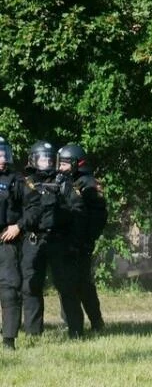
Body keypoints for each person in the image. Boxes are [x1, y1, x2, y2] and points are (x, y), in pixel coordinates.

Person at [20, 141, 85, 338]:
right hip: (34, 239)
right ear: (33, 160)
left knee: (66, 285)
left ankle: (75, 330)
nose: (46, 162)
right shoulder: (26, 183)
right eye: (42, 159)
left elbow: (77, 210)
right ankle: (33, 332)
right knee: (31, 286)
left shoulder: (64, 182)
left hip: (59, 239)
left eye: (49, 158)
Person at [57, 143, 107, 332]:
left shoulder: (89, 184)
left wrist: (86, 241)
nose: (60, 167)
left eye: (64, 164)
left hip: (82, 244)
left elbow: (98, 217)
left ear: (77, 163)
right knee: (65, 283)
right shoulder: (63, 182)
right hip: (65, 240)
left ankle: (96, 322)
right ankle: (70, 322)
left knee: (83, 284)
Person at [0, 137, 25, 349]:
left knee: (10, 289)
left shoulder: (17, 180)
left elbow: (34, 207)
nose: (2, 159)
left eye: (4, 153)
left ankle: (9, 339)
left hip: (6, 241)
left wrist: (19, 225)